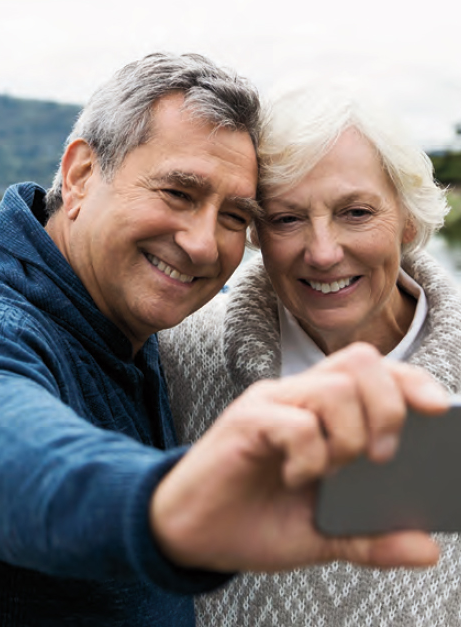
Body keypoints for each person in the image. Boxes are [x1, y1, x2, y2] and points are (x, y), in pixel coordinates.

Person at [0, 57, 445, 627]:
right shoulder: (12, 323)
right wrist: (167, 508)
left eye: (234, 215)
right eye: (179, 192)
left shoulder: (139, 335)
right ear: (81, 175)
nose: (204, 245)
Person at [160, 81, 461, 627]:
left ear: (409, 221)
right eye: (286, 218)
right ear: (257, 231)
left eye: (356, 212)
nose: (322, 253)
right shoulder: (179, 355)